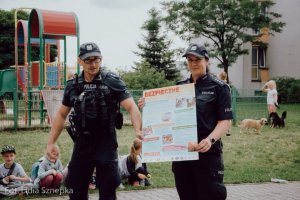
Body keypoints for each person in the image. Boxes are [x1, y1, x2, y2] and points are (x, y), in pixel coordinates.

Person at [46, 42, 142, 200]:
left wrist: (138, 131)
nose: (93, 64)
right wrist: (51, 142)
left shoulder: (111, 80)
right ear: (79, 61)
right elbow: (61, 115)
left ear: (101, 59)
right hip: (82, 142)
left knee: (108, 188)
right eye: (88, 60)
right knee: (75, 188)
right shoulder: (73, 85)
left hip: (106, 141)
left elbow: (131, 107)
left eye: (96, 60)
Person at [138, 43, 232, 200]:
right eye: (190, 60)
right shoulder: (180, 87)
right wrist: (149, 105)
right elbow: (169, 117)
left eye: (198, 59)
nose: (194, 63)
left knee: (211, 195)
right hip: (182, 154)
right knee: (186, 195)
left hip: (207, 154)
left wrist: (210, 140)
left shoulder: (219, 88)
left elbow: (225, 122)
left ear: (206, 61)